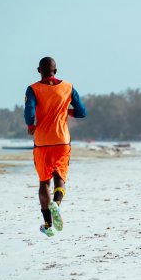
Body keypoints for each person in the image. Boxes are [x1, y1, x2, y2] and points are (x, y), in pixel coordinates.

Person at [24, 57, 87, 237]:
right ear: (56, 71)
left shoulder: (33, 89)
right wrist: (65, 111)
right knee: (60, 176)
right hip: (62, 140)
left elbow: (29, 112)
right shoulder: (68, 87)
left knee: (44, 182)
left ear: (39, 70)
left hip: (42, 142)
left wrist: (31, 126)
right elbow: (82, 112)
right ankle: (57, 204)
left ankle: (48, 225)